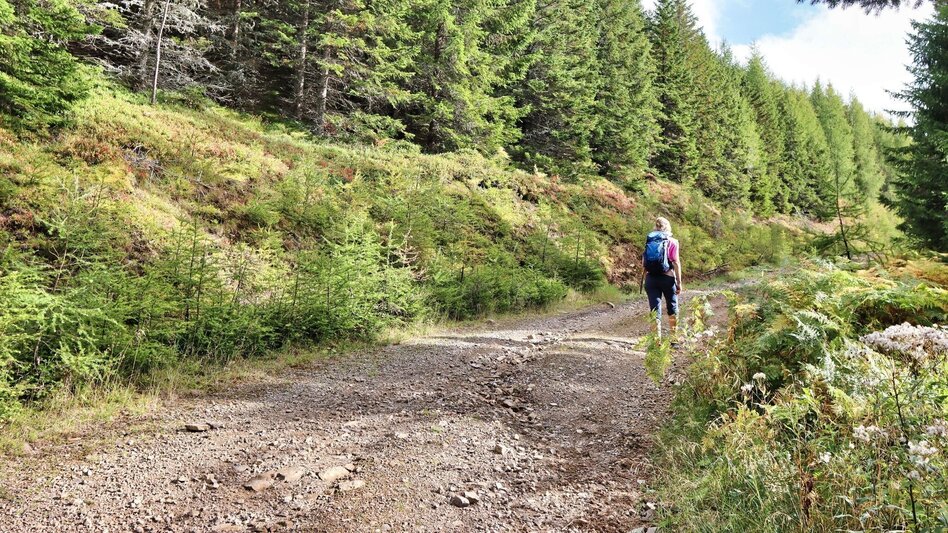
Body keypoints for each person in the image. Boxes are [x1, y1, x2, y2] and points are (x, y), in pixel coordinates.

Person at [639, 217, 683, 340]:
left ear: (656, 227)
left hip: (651, 279)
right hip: (667, 279)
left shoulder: (650, 240)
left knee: (654, 309)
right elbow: (676, 262)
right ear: (668, 227)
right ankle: (674, 339)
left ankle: (656, 341)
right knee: (672, 307)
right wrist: (679, 283)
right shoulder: (673, 241)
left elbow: (643, 262)